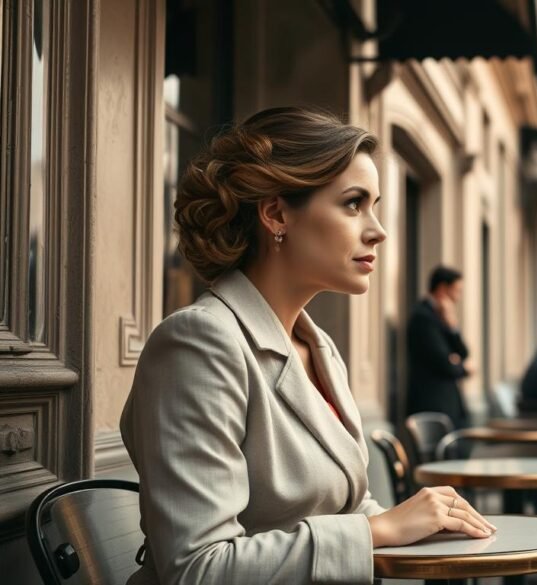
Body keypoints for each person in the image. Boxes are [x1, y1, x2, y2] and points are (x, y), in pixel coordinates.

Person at [120, 108, 494, 585]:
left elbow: (346, 507)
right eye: (354, 204)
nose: (378, 230)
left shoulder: (320, 350)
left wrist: (430, 524)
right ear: (276, 214)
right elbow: (199, 568)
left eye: (375, 205)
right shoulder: (198, 344)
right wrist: (380, 529)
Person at [406, 266, 472, 428]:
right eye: (457, 291)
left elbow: (463, 353)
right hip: (432, 405)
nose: (458, 298)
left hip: (447, 404)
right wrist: (464, 368)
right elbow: (445, 364)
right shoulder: (423, 317)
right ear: (442, 288)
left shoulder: (442, 316)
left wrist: (452, 325)